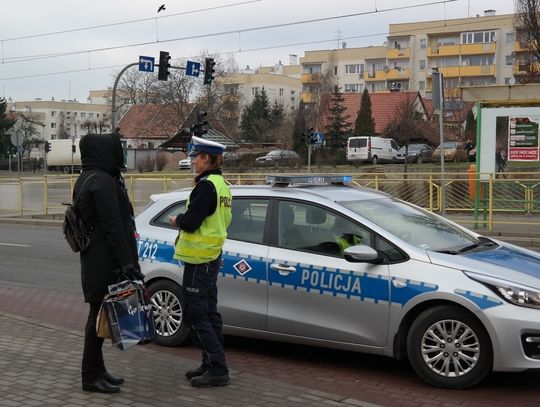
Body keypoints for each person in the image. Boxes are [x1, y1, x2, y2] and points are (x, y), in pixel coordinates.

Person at [75, 133, 143, 394]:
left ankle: (98, 370)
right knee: (97, 319)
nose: (120, 155)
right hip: (104, 262)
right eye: (117, 150)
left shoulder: (91, 177)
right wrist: (128, 264)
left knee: (99, 316)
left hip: (96, 259)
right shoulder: (101, 182)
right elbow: (113, 226)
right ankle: (90, 376)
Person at [169, 136, 232, 388]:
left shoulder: (206, 186)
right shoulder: (222, 184)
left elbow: (193, 221)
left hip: (199, 258)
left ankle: (217, 367)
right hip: (211, 256)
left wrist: (178, 220)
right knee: (209, 313)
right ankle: (209, 363)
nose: (192, 160)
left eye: (196, 156)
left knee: (196, 315)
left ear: (207, 158)